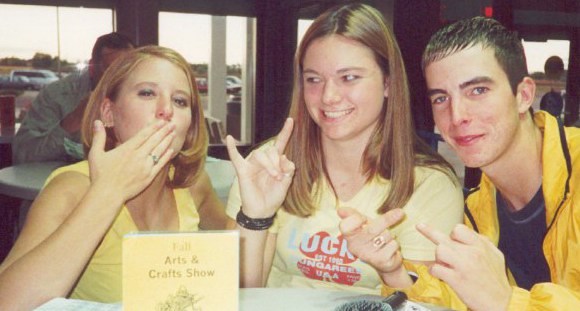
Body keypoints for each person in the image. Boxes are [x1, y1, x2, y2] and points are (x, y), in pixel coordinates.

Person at [342, 16, 580, 310]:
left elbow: (494, 300)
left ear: (524, 95)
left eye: (477, 90)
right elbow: (461, 300)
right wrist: (394, 272)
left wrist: (505, 302)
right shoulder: (478, 208)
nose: (457, 116)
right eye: (441, 98)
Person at [225, 3, 463, 295]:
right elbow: (241, 297)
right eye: (314, 79)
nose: (328, 96)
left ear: (388, 82)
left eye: (349, 77)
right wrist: (255, 217)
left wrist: (392, 272)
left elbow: (426, 305)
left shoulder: (430, 185)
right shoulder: (268, 167)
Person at [0, 46, 230, 309]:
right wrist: (108, 193)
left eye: (180, 101)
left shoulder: (192, 183)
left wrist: (256, 213)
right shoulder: (70, 188)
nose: (166, 110)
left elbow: (240, 274)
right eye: (147, 93)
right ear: (109, 113)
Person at [13, 32, 135, 164]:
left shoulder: (148, 96)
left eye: (128, 69)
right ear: (92, 69)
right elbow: (23, 155)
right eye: (111, 71)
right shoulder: (58, 95)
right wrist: (73, 122)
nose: (120, 78)